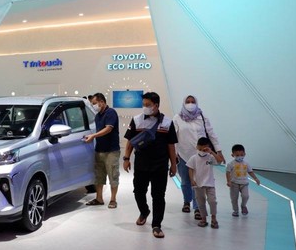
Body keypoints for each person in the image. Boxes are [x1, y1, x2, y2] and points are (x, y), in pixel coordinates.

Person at [123, 92, 178, 239]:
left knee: (158, 195)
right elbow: (129, 141)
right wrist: (126, 158)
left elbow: (171, 145)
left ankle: (156, 225)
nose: (145, 107)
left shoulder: (167, 122)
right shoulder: (136, 120)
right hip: (141, 164)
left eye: (148, 105)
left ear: (156, 105)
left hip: (160, 165)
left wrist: (173, 164)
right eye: (144, 105)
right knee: (138, 192)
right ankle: (144, 211)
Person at [173, 95, 225, 221]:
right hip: (183, 154)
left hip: (201, 156)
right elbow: (173, 137)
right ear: (183, 103)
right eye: (188, 101)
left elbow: (211, 134)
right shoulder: (177, 118)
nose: (190, 104)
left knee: (198, 183)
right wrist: (173, 154)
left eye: (193, 101)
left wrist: (219, 151)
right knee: (186, 182)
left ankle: (197, 208)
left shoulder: (202, 117)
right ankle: (187, 201)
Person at [84, 93, 120, 208]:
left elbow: (108, 129)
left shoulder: (111, 113)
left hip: (111, 150)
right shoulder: (97, 115)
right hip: (99, 149)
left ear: (102, 102)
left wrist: (93, 136)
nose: (94, 106)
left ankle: (113, 199)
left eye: (94, 103)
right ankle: (99, 198)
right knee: (99, 176)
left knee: (113, 175)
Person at [186, 137, 224, 228]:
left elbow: (220, 160)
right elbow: (190, 169)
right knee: (200, 202)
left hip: (210, 183)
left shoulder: (210, 157)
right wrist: (192, 180)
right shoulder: (194, 158)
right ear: (197, 147)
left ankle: (214, 218)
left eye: (205, 147)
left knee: (212, 201)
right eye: (200, 147)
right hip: (198, 184)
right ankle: (203, 219)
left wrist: (212, 152)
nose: (203, 149)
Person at [226, 144, 261, 216]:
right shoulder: (230, 164)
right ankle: (235, 211)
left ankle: (243, 205)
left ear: (244, 154)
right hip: (234, 183)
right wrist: (228, 181)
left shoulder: (246, 163)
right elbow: (227, 172)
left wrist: (256, 178)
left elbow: (250, 171)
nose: (240, 156)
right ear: (232, 155)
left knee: (246, 196)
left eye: (241, 155)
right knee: (234, 198)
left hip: (244, 183)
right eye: (237, 155)